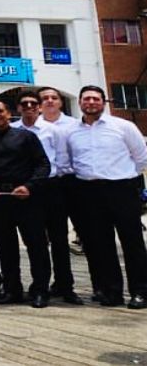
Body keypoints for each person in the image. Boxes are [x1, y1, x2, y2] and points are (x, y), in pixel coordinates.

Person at [66, 85, 147, 309]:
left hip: (121, 189)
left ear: (103, 102)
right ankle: (112, 292)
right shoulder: (72, 132)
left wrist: (124, 176)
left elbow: (141, 157)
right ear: (80, 102)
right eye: (86, 99)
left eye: (95, 98)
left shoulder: (123, 126)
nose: (91, 102)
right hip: (89, 192)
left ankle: (140, 291)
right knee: (101, 244)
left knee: (132, 243)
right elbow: (70, 160)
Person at [0, 99, 52, 307]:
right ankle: (12, 289)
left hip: (26, 197)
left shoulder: (26, 137)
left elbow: (43, 164)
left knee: (36, 245)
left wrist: (29, 186)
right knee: (6, 247)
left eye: (0, 111)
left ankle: (40, 290)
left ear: (8, 113)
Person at [36, 85, 86, 304]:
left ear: (60, 101)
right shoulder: (27, 127)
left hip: (70, 182)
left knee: (63, 238)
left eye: (53, 97)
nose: (49, 101)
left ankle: (65, 284)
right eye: (44, 98)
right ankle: (42, 285)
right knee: (40, 238)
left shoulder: (75, 125)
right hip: (40, 186)